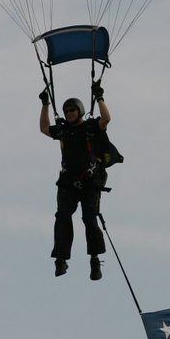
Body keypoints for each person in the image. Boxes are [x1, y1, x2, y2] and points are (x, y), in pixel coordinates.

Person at [39, 83, 111, 280]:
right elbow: (44, 128)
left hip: (90, 182)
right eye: (66, 111)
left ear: (80, 111)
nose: (68, 113)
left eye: (72, 110)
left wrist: (99, 97)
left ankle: (94, 259)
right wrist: (45, 104)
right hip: (67, 183)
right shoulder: (63, 131)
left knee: (89, 218)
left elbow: (106, 119)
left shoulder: (90, 128)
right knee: (62, 216)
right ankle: (61, 259)